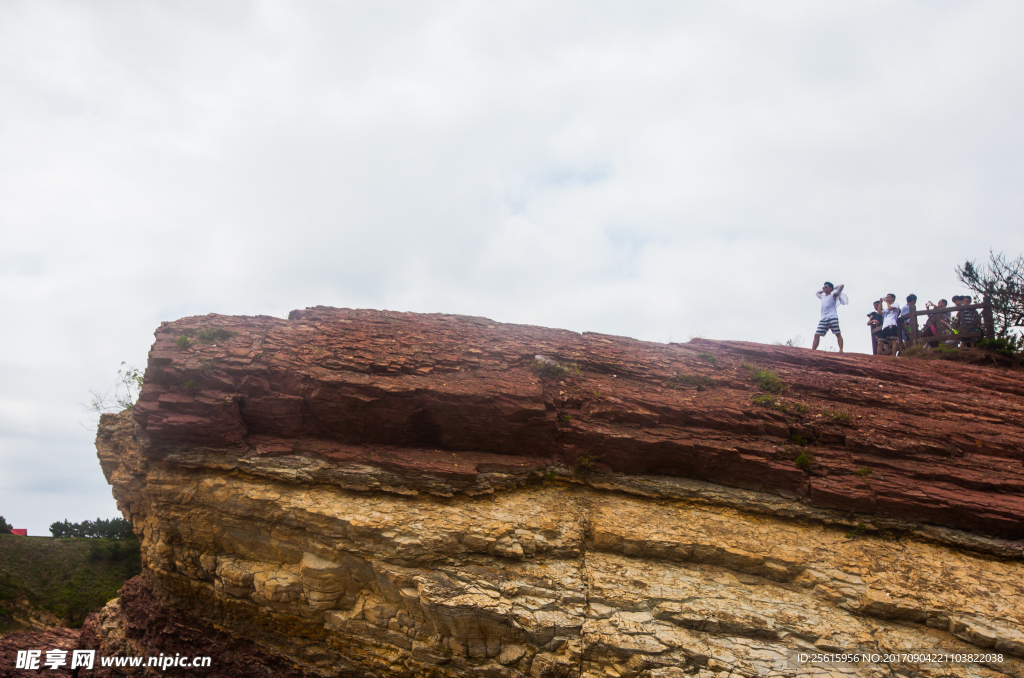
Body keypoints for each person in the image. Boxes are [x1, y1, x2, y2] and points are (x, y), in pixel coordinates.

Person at [812, 282, 847, 353]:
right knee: (816, 335)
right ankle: (813, 351)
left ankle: (841, 350)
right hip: (823, 318)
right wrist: (824, 290)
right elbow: (817, 293)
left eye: (826, 287)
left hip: (832, 317)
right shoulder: (822, 297)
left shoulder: (833, 295)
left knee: (837, 334)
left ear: (830, 288)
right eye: (823, 287)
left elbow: (841, 285)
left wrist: (833, 288)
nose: (824, 288)